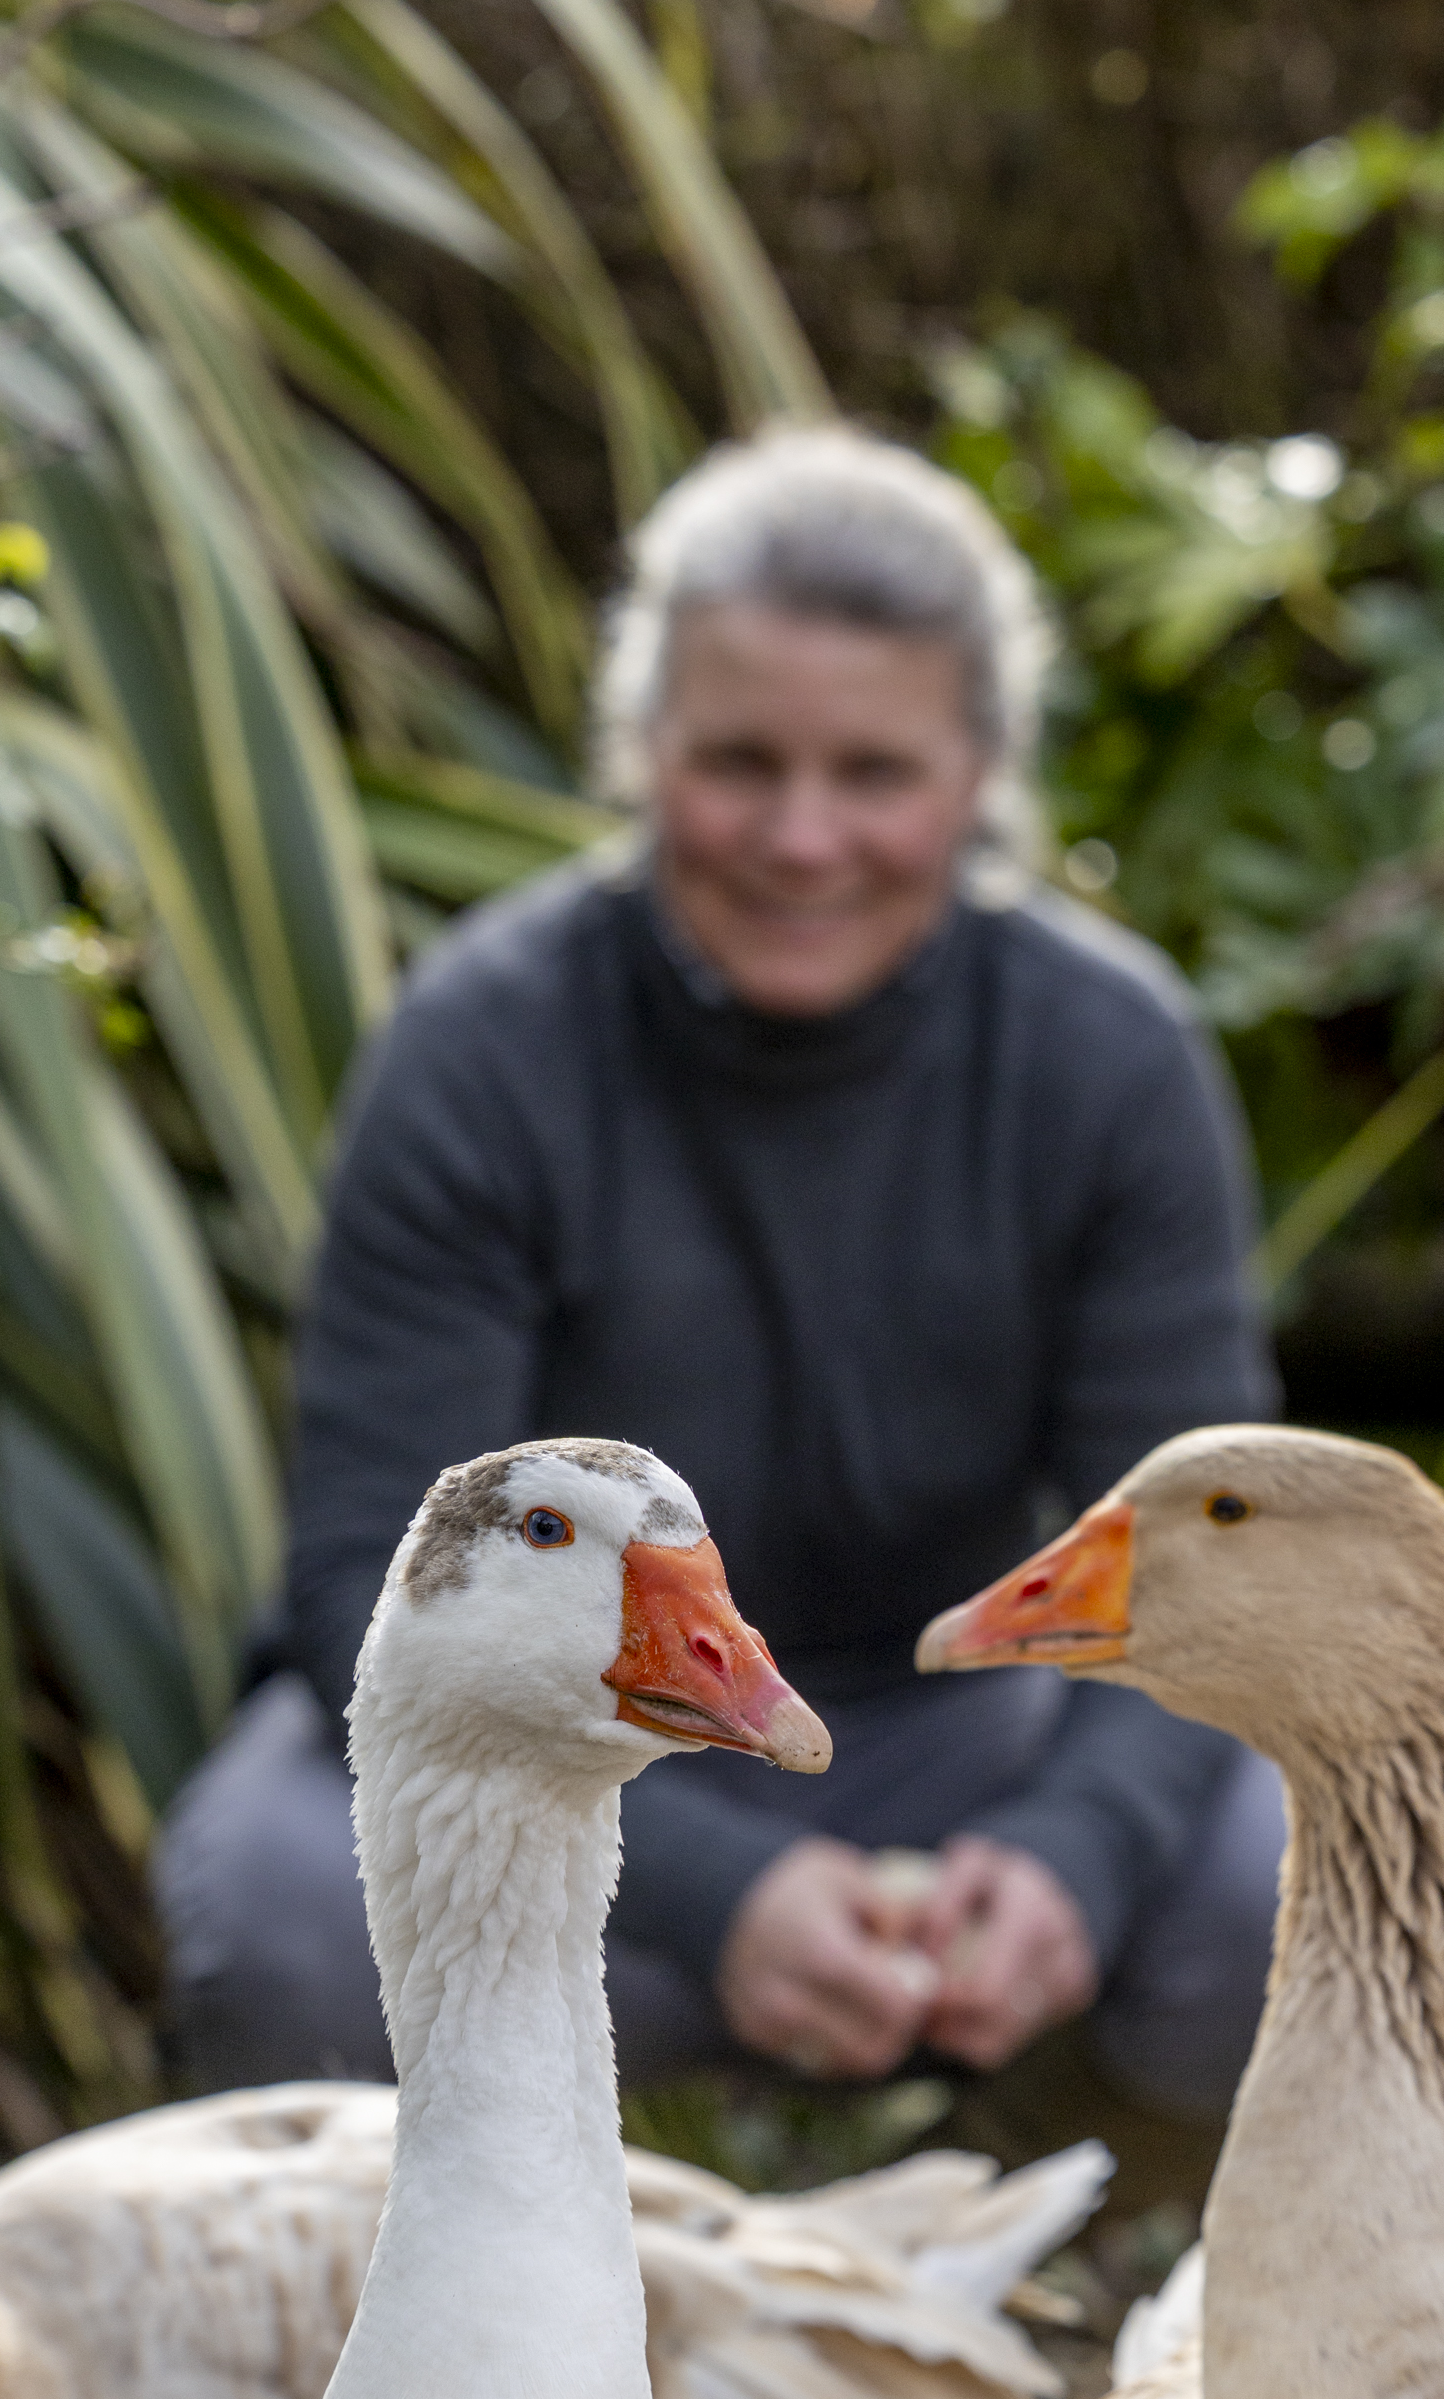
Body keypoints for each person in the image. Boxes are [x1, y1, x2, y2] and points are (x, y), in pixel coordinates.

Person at [156, 422, 1285, 2109]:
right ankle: (420, 2358)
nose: (803, 838)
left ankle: (1167, 2339)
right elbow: (364, 1580)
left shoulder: (1109, 1058)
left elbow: (1192, 1563)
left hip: (961, 1727)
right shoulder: (481, 1047)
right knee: (275, 1913)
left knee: (1286, 1876)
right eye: (740, 764)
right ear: (641, 750)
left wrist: (1070, 1858)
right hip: (559, 1743)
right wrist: (712, 1886)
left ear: (980, 774)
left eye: (877, 775)